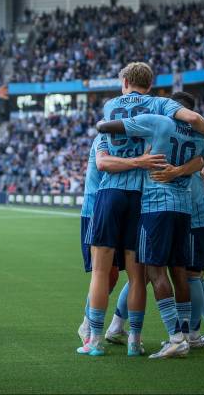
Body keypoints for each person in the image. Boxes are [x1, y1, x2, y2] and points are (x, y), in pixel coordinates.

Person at [80, 62, 204, 358]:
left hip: (115, 191)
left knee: (101, 271)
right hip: (146, 197)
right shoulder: (160, 108)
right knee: (139, 276)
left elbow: (104, 139)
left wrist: (105, 127)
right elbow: (192, 125)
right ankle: (135, 341)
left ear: (125, 81)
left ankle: (94, 338)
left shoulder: (113, 106)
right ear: (150, 85)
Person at [151, 92, 204, 348]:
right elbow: (201, 162)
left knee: (192, 277)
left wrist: (175, 172)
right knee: (197, 278)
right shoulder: (196, 142)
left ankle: (192, 333)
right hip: (197, 218)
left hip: (195, 219)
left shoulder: (179, 143)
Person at [78, 134, 166, 347]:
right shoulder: (106, 136)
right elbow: (104, 163)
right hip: (96, 208)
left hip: (127, 207)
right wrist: (139, 161)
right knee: (107, 272)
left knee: (129, 273)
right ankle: (88, 326)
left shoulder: (141, 136)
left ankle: (115, 326)